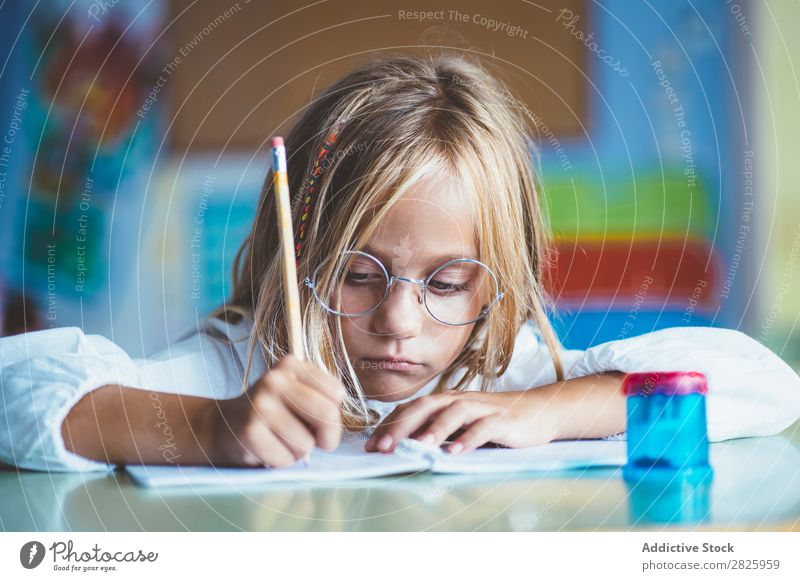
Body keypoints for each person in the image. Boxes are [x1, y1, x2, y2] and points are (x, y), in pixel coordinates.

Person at [2, 54, 799, 472]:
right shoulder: (238, 370)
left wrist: (546, 412)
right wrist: (212, 427)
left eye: (448, 283)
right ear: (297, 253)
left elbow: (767, 385)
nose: (399, 322)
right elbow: (19, 392)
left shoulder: (511, 377)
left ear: (498, 281)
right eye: (357, 272)